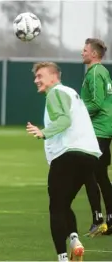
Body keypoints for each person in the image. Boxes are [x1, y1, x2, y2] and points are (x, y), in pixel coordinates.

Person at [26, 62, 102, 261]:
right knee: (64, 204)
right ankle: (75, 240)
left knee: (56, 208)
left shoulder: (55, 93)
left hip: (68, 155)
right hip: (90, 156)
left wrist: (43, 132)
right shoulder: (72, 93)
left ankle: (62, 257)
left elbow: (64, 120)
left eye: (40, 76)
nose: (36, 80)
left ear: (53, 77)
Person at [81, 38, 112, 236]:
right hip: (105, 129)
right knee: (101, 176)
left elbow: (97, 103)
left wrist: (76, 111)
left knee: (88, 175)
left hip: (98, 131)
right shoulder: (104, 72)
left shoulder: (94, 73)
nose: (81, 52)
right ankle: (109, 220)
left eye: (84, 50)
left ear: (93, 54)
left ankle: (98, 220)